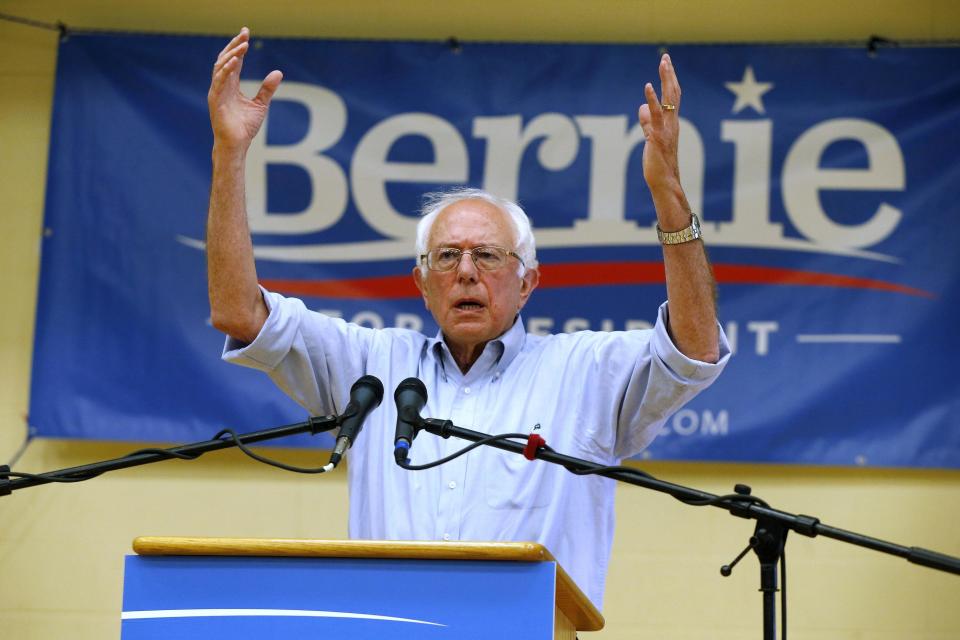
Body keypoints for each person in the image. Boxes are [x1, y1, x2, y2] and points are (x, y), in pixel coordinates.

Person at [207, 28, 730, 609]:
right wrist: (230, 153)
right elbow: (238, 312)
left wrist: (668, 194)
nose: (465, 272)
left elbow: (694, 350)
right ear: (421, 282)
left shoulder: (584, 372)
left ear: (528, 281)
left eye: (487, 256)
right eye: (447, 257)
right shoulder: (370, 371)